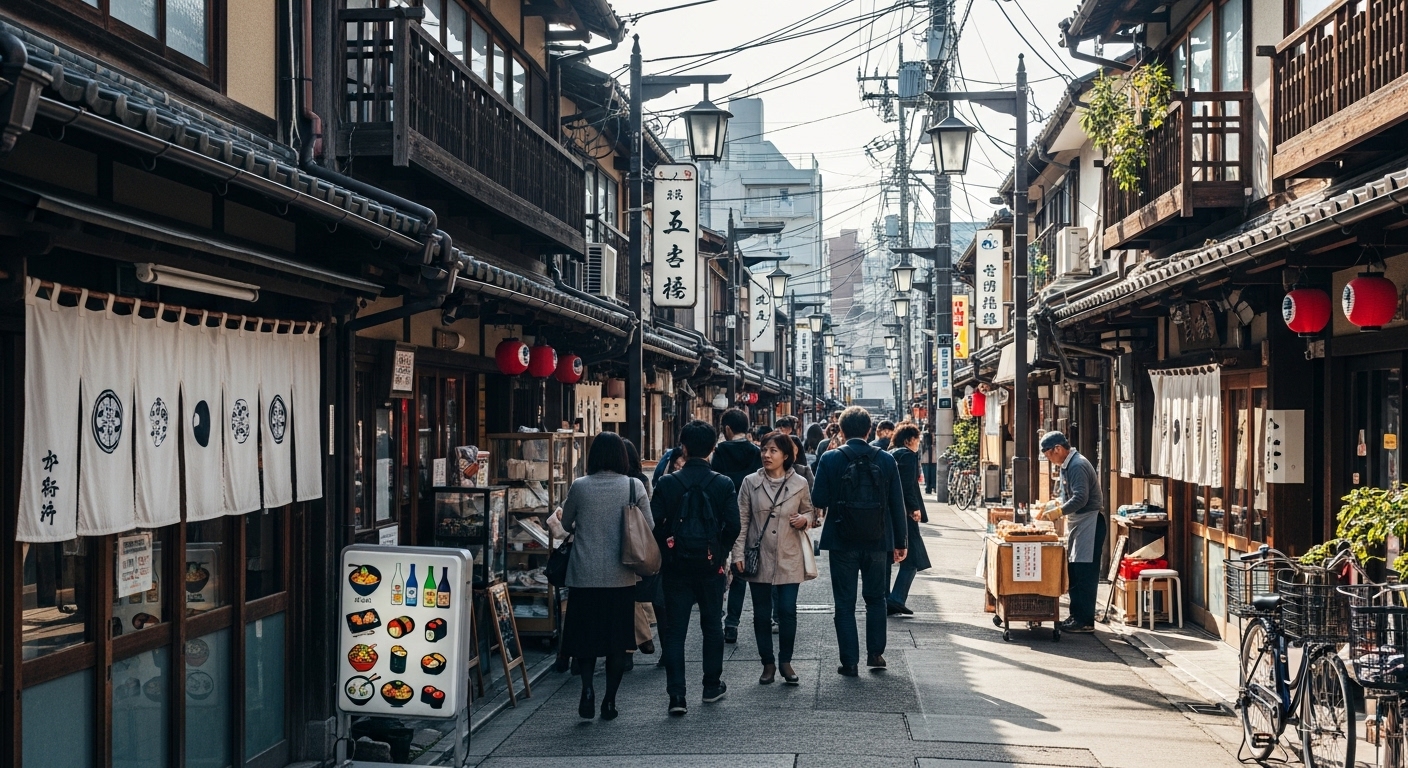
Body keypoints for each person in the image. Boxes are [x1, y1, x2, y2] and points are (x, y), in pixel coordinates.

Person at [559, 431, 652, 721]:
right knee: (616, 643)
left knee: (585, 640)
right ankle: (609, 701)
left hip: (584, 576)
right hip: (620, 576)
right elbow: (647, 525)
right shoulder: (633, 486)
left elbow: (565, 522)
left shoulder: (580, 486)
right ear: (622, 457)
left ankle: (587, 689)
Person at [651, 420, 742, 715]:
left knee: (675, 631)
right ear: (713, 449)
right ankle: (711, 686)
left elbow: (653, 524)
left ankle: (677, 696)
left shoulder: (666, 483)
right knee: (712, 625)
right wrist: (720, 553)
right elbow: (734, 525)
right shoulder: (722, 483)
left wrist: (668, 549)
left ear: (683, 448)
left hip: (675, 567)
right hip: (710, 567)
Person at [812, 406, 907, 676]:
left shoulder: (830, 459)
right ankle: (875, 654)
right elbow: (896, 504)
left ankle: (849, 662)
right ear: (869, 430)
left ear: (841, 431)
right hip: (878, 540)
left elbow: (818, 499)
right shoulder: (886, 460)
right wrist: (900, 541)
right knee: (876, 598)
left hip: (842, 540)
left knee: (844, 603)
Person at [730, 433, 816, 685]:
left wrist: (805, 520)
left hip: (789, 555)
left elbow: (810, 510)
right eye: (764, 450)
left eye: (773, 451)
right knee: (761, 614)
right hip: (759, 556)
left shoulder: (800, 483)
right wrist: (737, 554)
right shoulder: (750, 482)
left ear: (786, 456)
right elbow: (742, 520)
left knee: (788, 611)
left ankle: (785, 661)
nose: (766, 455)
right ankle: (767, 663)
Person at [1038, 431, 1105, 634]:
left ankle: (1085, 620)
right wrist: (1056, 503)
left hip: (1090, 522)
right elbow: (1070, 496)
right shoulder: (1068, 465)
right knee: (1075, 571)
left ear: (1058, 449)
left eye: (1049, 455)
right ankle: (1076, 616)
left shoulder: (1077, 465)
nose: (1049, 459)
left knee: (1085, 573)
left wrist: (1058, 512)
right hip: (1080, 521)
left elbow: (1080, 498)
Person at [712, 408, 763, 644]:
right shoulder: (755, 452)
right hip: (750, 515)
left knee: (720, 566)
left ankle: (721, 618)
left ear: (728, 429)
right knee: (742, 569)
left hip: (724, 515)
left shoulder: (720, 451)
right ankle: (733, 622)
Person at [886, 424, 931, 616]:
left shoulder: (891, 454)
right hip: (905, 514)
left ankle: (887, 597)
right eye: (917, 439)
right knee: (913, 557)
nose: (918, 443)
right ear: (908, 440)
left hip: (890, 514)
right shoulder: (907, 456)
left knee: (889, 556)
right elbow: (907, 486)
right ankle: (895, 599)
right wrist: (914, 508)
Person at [623, 440, 660, 660]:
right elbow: (649, 522)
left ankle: (634, 643)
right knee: (628, 595)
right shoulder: (638, 482)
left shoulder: (582, 484)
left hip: (599, 555)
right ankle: (639, 640)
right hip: (633, 547)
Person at [920, 429, 937, 495]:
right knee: (932, 475)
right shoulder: (932, 445)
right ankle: (931, 487)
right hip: (931, 461)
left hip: (926, 461)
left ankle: (928, 488)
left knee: (928, 476)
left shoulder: (923, 444)